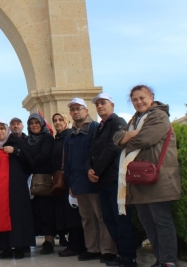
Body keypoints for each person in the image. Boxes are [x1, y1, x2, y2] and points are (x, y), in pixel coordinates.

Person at [114, 85, 181, 267]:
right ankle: (160, 259)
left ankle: (168, 261)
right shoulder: (136, 120)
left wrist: (126, 138)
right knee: (148, 223)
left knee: (162, 221)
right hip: (140, 179)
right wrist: (127, 136)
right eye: (135, 99)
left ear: (151, 96)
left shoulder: (159, 116)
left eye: (142, 98)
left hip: (158, 179)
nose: (139, 102)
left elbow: (145, 139)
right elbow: (116, 138)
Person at [64, 98, 116, 262]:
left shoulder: (95, 128)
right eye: (72, 109)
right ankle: (92, 248)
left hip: (93, 181)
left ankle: (107, 250)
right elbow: (68, 160)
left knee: (101, 216)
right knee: (87, 218)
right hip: (78, 183)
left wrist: (95, 172)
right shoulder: (70, 134)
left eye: (79, 108)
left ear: (86, 111)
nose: (75, 111)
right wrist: (70, 182)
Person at [87, 93, 135, 266]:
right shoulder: (99, 127)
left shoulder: (117, 122)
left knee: (120, 219)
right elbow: (92, 151)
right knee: (109, 219)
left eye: (103, 103)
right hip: (102, 181)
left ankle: (129, 257)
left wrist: (96, 170)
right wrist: (89, 169)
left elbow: (113, 147)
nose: (100, 106)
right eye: (97, 104)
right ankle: (122, 253)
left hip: (114, 179)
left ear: (112, 105)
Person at [0, 118, 36, 259]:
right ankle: (4, 246)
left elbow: (31, 161)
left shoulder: (18, 142)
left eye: (2, 129)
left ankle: (20, 246)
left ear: (7, 130)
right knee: (1, 215)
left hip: (16, 187)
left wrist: (15, 151)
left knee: (18, 215)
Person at [50, 112, 86, 258]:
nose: (58, 122)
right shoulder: (57, 138)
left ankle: (76, 245)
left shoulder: (70, 135)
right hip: (61, 182)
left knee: (73, 214)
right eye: (55, 120)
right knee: (67, 213)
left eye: (60, 120)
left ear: (66, 121)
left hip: (70, 179)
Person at [25, 113, 56, 255]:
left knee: (46, 211)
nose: (34, 125)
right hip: (31, 180)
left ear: (42, 124)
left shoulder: (47, 138)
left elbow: (44, 155)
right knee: (35, 211)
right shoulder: (28, 139)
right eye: (31, 123)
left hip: (43, 180)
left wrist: (28, 162)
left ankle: (49, 241)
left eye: (36, 122)